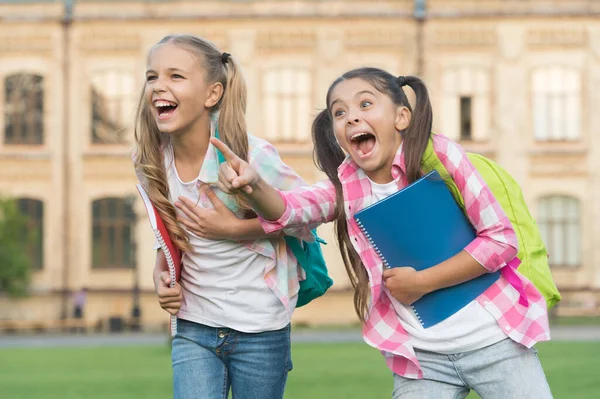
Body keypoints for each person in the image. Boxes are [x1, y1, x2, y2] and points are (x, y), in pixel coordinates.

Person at [211, 67, 553, 399]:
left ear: (401, 118)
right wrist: (254, 186)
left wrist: (423, 283)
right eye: (339, 112)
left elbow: (500, 240)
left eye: (365, 104)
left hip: (494, 341)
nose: (351, 118)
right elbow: (290, 210)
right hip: (422, 360)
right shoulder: (345, 188)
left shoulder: (442, 156)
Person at [132, 34, 312, 399]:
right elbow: (166, 228)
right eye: (152, 77)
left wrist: (234, 229)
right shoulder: (149, 160)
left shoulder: (250, 155)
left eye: (175, 76)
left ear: (212, 95)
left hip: (261, 327)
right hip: (194, 325)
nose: (158, 86)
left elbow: (308, 216)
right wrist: (159, 270)